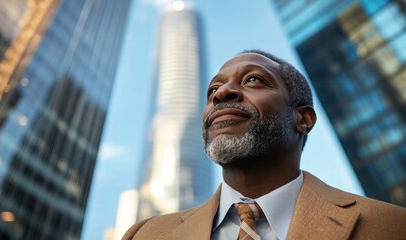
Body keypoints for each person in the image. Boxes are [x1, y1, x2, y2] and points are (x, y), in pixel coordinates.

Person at [122, 50, 406, 240]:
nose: (222, 93)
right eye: (212, 91)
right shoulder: (145, 234)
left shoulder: (393, 227)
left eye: (253, 80)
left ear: (303, 118)